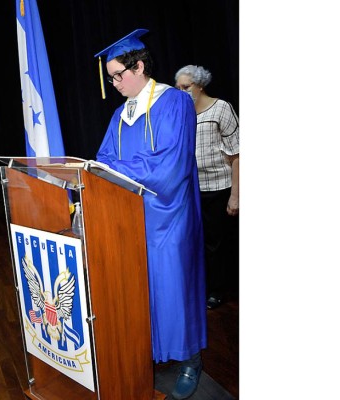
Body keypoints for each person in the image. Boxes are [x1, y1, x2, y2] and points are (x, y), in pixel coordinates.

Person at [94, 29, 207, 400]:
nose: (113, 84)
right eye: (111, 77)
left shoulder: (175, 102)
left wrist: (122, 168)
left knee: (175, 287)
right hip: (130, 218)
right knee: (143, 292)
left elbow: (172, 166)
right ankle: (156, 353)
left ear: (138, 66)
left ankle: (190, 360)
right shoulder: (119, 115)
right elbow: (102, 160)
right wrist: (120, 169)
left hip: (170, 216)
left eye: (117, 75)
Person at [174, 65, 239, 310]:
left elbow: (238, 154)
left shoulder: (221, 108)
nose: (182, 92)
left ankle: (217, 290)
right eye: (178, 88)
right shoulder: (182, 113)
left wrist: (236, 195)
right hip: (191, 188)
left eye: (186, 87)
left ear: (200, 86)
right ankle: (199, 287)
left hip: (218, 186)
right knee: (195, 240)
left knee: (216, 243)